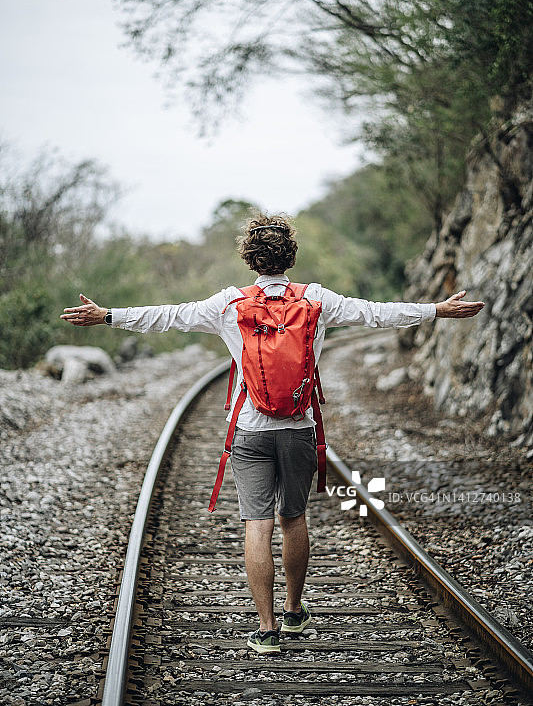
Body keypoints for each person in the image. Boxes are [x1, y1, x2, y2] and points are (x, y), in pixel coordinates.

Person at [60, 212, 484, 654]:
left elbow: (167, 316)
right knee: (294, 518)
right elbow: (376, 314)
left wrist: (107, 315)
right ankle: (294, 611)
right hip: (299, 428)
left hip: (249, 430)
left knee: (256, 525)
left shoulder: (228, 303)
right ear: (290, 256)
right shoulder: (317, 300)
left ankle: (266, 629)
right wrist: (437, 309)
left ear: (250, 259)